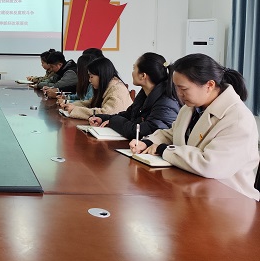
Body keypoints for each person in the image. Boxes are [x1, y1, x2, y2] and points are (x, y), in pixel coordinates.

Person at [130, 53, 260, 201]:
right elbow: (174, 134)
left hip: (229, 200)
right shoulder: (190, 108)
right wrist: (148, 142)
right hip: (193, 191)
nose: (179, 94)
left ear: (209, 85)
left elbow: (210, 165)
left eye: (183, 89)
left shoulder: (238, 119)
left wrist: (163, 149)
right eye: (176, 88)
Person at [89, 52, 180, 140]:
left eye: (134, 68)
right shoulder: (144, 94)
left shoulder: (166, 103)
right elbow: (129, 114)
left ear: (143, 76)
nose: (132, 73)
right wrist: (103, 118)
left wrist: (113, 121)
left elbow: (139, 132)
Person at [60, 57, 132, 119]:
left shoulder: (116, 90)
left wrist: (76, 110)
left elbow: (106, 113)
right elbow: (90, 103)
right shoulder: (105, 86)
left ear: (102, 75)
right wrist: (73, 105)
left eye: (91, 76)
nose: (89, 80)